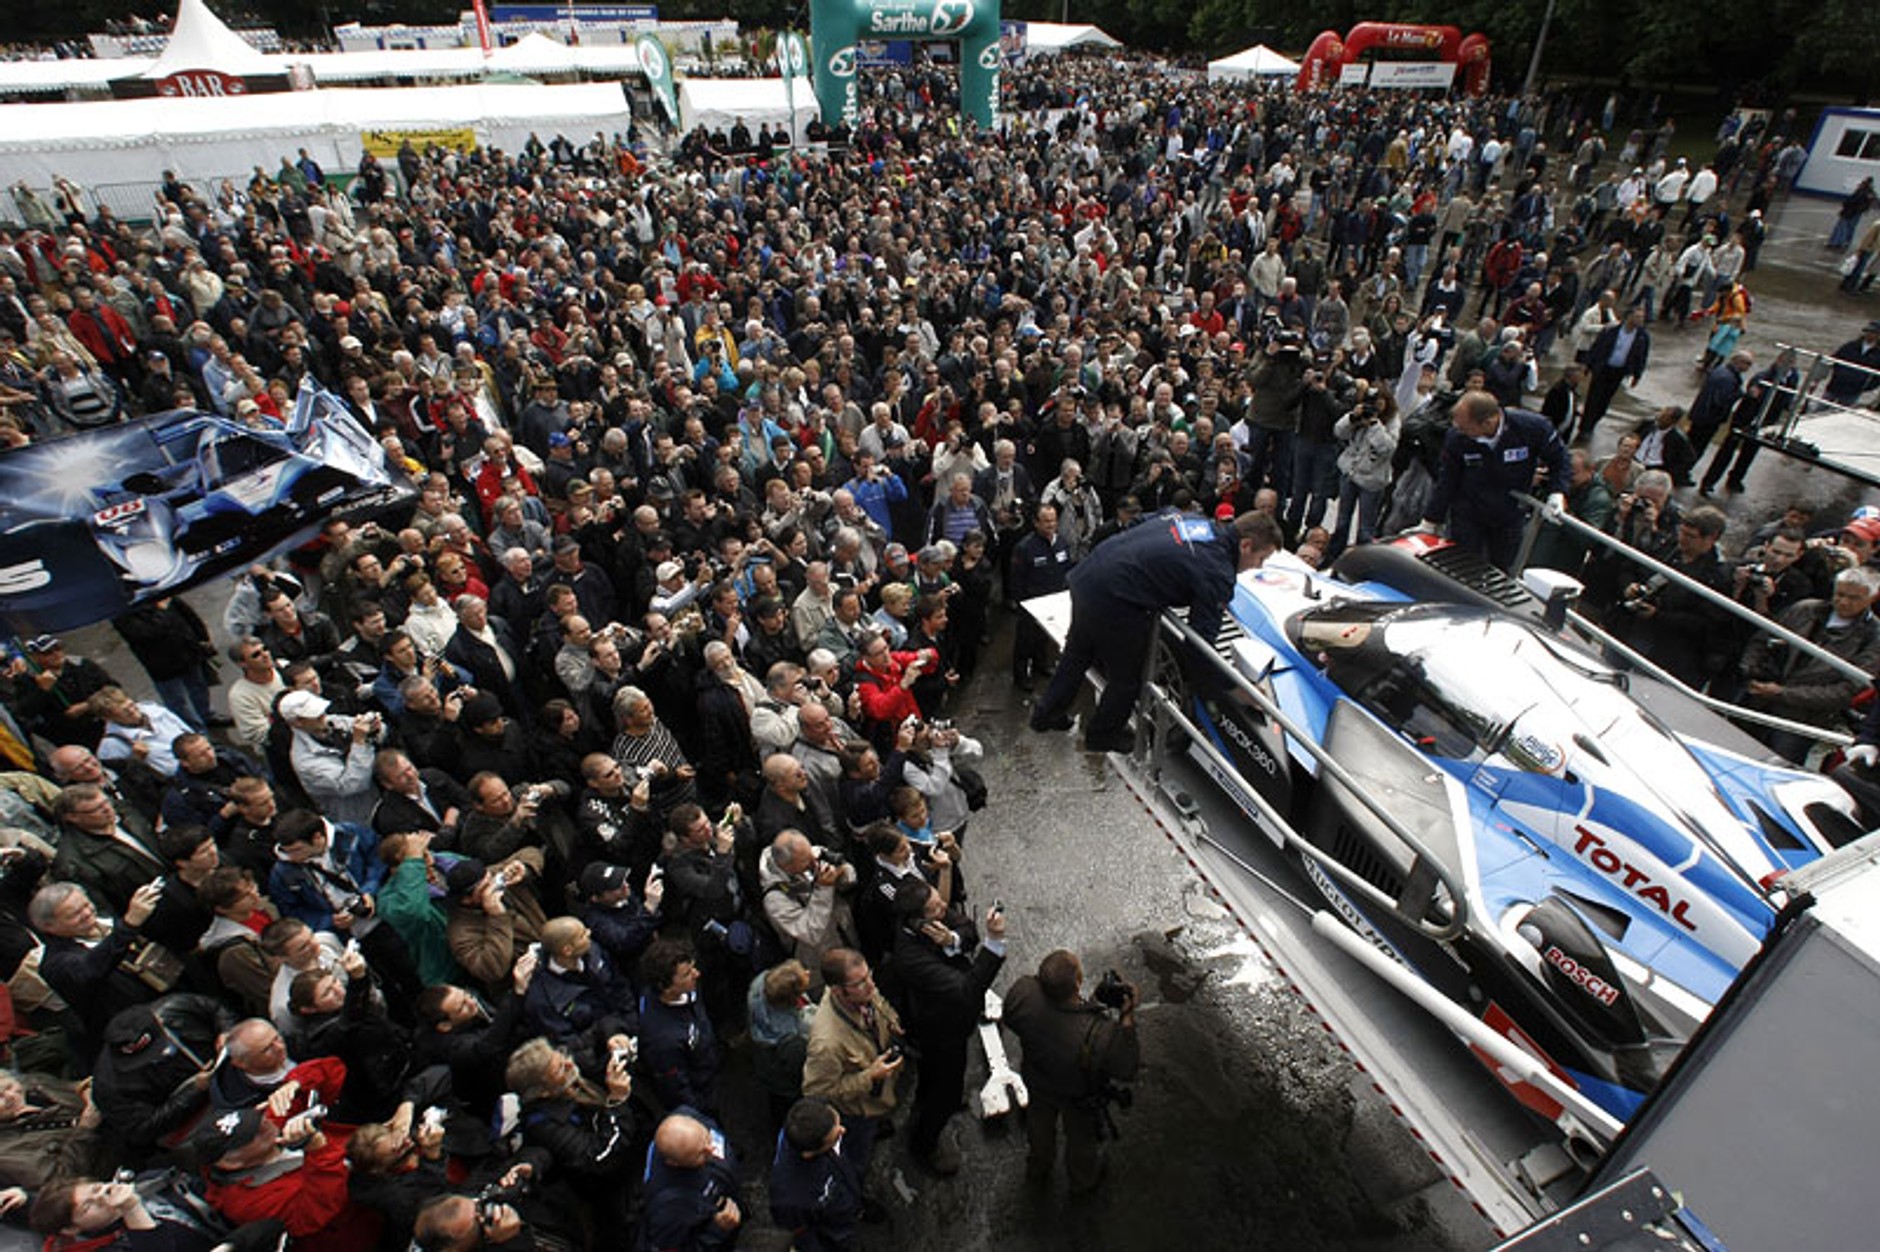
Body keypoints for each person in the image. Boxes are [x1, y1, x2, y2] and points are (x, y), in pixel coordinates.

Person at [1030, 511, 1283, 754]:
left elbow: (1140, 520)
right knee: (1126, 678)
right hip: (1116, 598)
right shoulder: (1217, 572)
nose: (1256, 567)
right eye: (1261, 558)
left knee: (1077, 653)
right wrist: (1236, 688)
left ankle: (1045, 713)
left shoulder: (1194, 520)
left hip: (1091, 574)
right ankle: (1102, 735)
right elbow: (1200, 648)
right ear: (1246, 545)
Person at [1002, 949, 1140, 1193]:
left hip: (1038, 1082)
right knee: (1081, 1141)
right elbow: (1126, 1067)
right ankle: (1082, 1181)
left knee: (1039, 1129)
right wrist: (1127, 1016)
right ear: (1078, 982)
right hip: (1077, 1097)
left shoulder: (1023, 994)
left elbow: (1013, 1017)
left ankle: (1038, 1167)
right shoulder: (1101, 1035)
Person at [1418, 390, 1570, 571]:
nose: (1460, 430)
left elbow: (1560, 459)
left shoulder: (1532, 428)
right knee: (1461, 567)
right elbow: (1447, 480)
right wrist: (1431, 520)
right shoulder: (1457, 439)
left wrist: (1557, 493)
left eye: (1465, 427)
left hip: (1509, 515)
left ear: (1488, 422)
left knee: (1501, 568)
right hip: (1468, 514)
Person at [1738, 568, 1880, 763]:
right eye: (1840, 594)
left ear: (1872, 598)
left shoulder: (1874, 638)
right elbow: (1762, 639)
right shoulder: (1805, 610)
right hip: (1757, 700)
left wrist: (1782, 693)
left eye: (1854, 598)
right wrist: (1750, 671)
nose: (1844, 602)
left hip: (1803, 719)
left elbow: (1848, 690)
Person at [769, 1096, 875, 1250]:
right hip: (834, 1231)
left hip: (845, 1188)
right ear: (809, 1154)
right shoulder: (789, 1196)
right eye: (835, 1138)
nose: (843, 1131)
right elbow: (799, 1233)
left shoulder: (812, 1118)